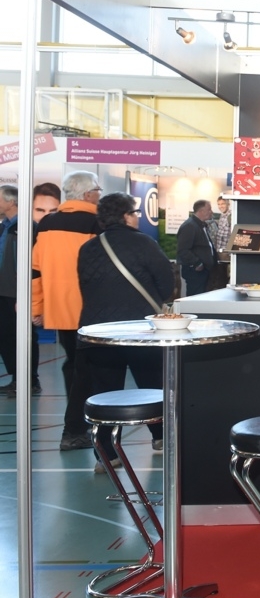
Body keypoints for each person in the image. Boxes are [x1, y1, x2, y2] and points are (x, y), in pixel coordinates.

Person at [76, 193, 170, 469]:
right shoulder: (144, 243)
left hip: (99, 332)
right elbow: (166, 284)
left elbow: (86, 287)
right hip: (141, 330)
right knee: (153, 387)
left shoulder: (88, 248)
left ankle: (106, 455)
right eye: (135, 213)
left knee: (105, 394)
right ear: (126, 216)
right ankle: (161, 437)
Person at [32, 172, 102, 450]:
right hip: (90, 311)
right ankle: (76, 429)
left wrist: (37, 307)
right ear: (87, 194)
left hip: (60, 311)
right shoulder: (96, 223)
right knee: (89, 371)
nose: (99, 194)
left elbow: (35, 271)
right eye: (97, 190)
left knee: (73, 365)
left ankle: (77, 427)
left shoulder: (47, 224)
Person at [2, 183, 61, 399]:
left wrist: (30, 295)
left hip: (19, 292)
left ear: (11, 201)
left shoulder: (28, 228)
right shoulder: (6, 226)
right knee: (6, 336)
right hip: (4, 292)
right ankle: (17, 378)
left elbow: (36, 265)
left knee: (24, 336)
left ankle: (29, 380)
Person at [176, 199, 216, 296]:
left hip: (203, 271)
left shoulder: (200, 225)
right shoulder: (189, 226)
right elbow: (183, 250)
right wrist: (197, 263)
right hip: (195, 272)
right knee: (195, 297)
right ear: (201, 211)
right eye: (209, 209)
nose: (211, 212)